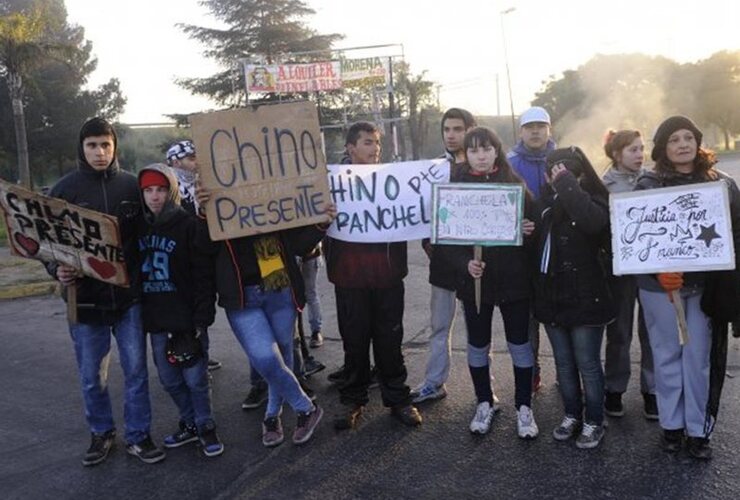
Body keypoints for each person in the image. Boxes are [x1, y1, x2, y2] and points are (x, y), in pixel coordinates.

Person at [47, 117, 165, 465]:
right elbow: (48, 244)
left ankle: (139, 435)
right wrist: (57, 269)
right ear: (82, 149)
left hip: (129, 298)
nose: (100, 152)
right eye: (92, 145)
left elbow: (154, 228)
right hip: (85, 300)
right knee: (91, 377)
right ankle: (101, 432)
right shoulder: (64, 190)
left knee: (136, 371)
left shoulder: (132, 186)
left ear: (114, 147)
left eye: (105, 145)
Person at [197, 184, 337, 448]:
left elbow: (297, 244)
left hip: (277, 282)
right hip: (241, 295)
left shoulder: (270, 192)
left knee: (282, 355)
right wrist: (204, 213)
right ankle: (305, 408)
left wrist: (321, 224)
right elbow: (202, 249)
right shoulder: (213, 199)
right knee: (264, 357)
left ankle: (272, 415)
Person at [635, 115, 740, 460]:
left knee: (698, 359)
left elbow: (736, 236)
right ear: (663, 148)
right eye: (674, 139)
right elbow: (633, 241)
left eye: (688, 137)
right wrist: (656, 275)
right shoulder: (647, 186)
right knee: (666, 357)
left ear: (698, 142)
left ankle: (698, 430)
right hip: (660, 291)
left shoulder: (722, 184)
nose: (683, 144)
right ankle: (672, 426)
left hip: (706, 289)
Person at [325, 121, 422, 430]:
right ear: (350, 148)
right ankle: (352, 400)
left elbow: (416, 213)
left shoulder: (394, 181)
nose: (375, 148)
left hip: (388, 278)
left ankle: (398, 399)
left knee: (390, 341)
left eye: (377, 143)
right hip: (349, 278)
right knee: (354, 343)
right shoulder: (331, 184)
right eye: (367, 142)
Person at [445, 127, 538, 438]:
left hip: (514, 281)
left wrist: (529, 229)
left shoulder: (515, 185)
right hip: (475, 283)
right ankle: (484, 401)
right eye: (473, 150)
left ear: (497, 150)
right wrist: (464, 263)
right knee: (477, 344)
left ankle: (524, 407)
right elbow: (447, 240)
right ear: (466, 154)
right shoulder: (455, 187)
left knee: (519, 345)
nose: (481, 156)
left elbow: (537, 227)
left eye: (486, 149)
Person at [136, 164, 223, 457]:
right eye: (148, 190)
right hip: (157, 320)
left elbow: (202, 274)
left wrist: (202, 317)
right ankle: (189, 423)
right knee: (169, 379)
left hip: (187, 318)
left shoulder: (187, 225)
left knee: (196, 379)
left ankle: (206, 425)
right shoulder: (137, 226)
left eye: (160, 189)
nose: (155, 196)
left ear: (171, 190)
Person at [412, 108, 494, 407]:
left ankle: (486, 390)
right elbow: (422, 210)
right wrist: (426, 237)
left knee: (479, 330)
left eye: (458, 129)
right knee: (439, 326)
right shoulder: (433, 169)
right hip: (444, 262)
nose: (451, 135)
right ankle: (434, 382)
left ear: (471, 129)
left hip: (478, 261)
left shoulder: (488, 168)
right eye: (447, 129)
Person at [534, 146, 614, 449]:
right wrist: (529, 230)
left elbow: (593, 222)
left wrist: (568, 185)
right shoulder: (542, 204)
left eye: (566, 171)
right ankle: (571, 414)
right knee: (564, 364)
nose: (558, 175)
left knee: (588, 364)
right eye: (554, 171)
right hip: (552, 298)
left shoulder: (594, 200)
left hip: (587, 297)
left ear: (579, 173)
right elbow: (533, 246)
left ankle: (594, 420)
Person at [601, 130, 658, 420]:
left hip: (651, 269)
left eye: (641, 149)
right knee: (619, 332)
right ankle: (614, 388)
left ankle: (652, 390)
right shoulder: (603, 185)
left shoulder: (655, 181)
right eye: (632, 150)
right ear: (616, 154)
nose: (640, 155)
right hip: (620, 270)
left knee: (652, 331)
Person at [508, 106, 557, 393]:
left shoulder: (563, 158)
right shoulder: (509, 162)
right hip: (521, 254)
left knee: (559, 317)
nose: (535, 131)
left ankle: (567, 372)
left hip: (557, 253)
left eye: (541, 126)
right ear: (521, 131)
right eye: (530, 127)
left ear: (549, 129)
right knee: (526, 321)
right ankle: (532, 373)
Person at [166, 140, 222, 372]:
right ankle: (181, 357)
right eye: (190, 159)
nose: (196, 163)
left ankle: (199, 354)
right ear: (176, 162)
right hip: (178, 265)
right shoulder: (167, 190)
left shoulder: (201, 185)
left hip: (201, 261)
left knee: (200, 314)